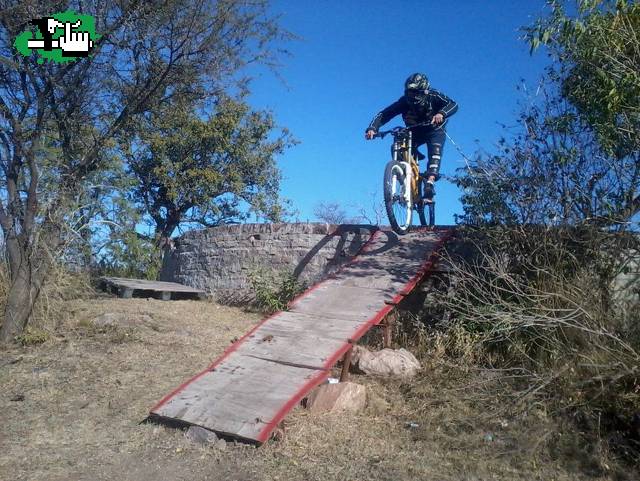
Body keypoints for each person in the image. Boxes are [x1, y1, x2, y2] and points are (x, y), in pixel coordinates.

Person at [365, 73, 458, 200]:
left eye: (415, 92)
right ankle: (405, 178)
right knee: (397, 145)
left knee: (435, 152)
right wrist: (372, 128)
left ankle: (429, 183)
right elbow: (385, 114)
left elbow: (453, 104)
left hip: (434, 130)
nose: (411, 96)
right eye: (409, 92)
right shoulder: (404, 101)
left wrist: (441, 113)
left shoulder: (434, 95)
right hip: (414, 131)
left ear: (424, 91)